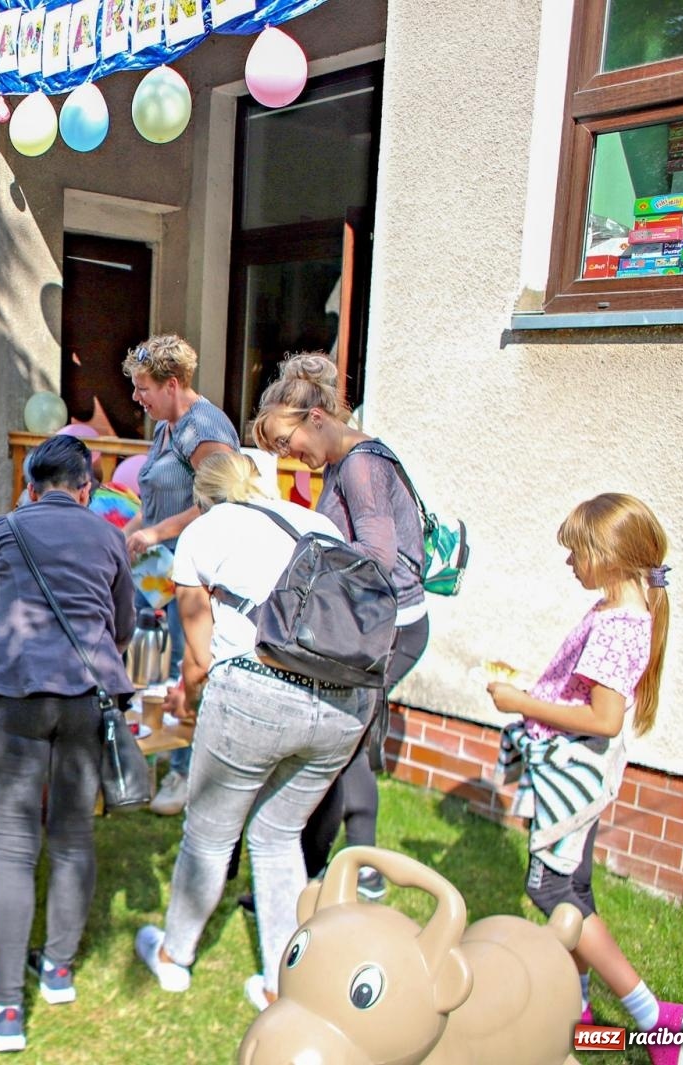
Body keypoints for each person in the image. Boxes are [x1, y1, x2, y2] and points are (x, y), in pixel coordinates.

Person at [135, 452, 369, 1012]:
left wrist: (187, 695)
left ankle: (174, 955)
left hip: (256, 693)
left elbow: (198, 652)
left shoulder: (204, 530)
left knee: (209, 835)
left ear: (203, 497)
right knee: (278, 835)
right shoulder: (319, 523)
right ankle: (278, 984)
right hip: (344, 707)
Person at [488, 494, 683, 1064]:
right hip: (581, 770)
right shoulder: (619, 612)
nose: (570, 563)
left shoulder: (618, 626)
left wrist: (519, 702)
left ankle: (662, 1022)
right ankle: (579, 1008)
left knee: (550, 889)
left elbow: (604, 718)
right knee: (574, 890)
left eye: (577, 552)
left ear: (610, 556)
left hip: (573, 776)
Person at [0, 435, 136, 1053]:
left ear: (30, 487)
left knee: (12, 850)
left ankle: (8, 1008)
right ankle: (58, 970)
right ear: (86, 489)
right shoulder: (110, 538)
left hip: (15, 692)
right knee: (73, 836)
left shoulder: (4, 529)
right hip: (88, 698)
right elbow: (123, 627)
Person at [253, 352, 428, 901]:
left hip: (389, 631)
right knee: (341, 744)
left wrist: (308, 562)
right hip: (371, 626)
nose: (288, 456)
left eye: (287, 442)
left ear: (316, 418)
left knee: (340, 746)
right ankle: (328, 870)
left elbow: (376, 555)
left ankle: (340, 873)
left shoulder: (359, 465)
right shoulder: (342, 462)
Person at [116, 334, 240, 816]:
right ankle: (144, 756)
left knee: (183, 669)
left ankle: (185, 773)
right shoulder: (167, 427)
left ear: (172, 384)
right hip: (156, 567)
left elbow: (221, 500)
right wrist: (124, 535)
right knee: (142, 661)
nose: (136, 397)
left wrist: (158, 532)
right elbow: (155, 502)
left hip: (193, 570)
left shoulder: (204, 428)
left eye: (142, 387)